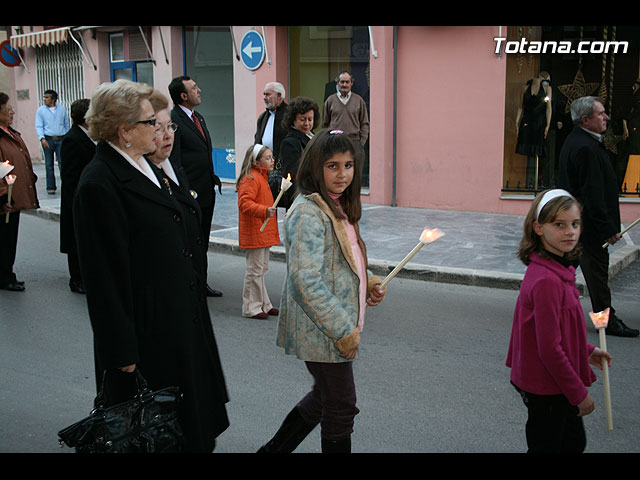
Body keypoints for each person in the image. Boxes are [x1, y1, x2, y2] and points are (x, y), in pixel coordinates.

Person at [73, 80, 229, 452]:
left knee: (192, 429)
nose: (160, 128)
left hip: (179, 325)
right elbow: (104, 281)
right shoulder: (100, 183)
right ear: (125, 131)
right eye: (150, 122)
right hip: (148, 339)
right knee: (159, 436)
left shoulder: (147, 166)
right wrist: (122, 357)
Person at [258, 129, 386, 454]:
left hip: (337, 326)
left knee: (322, 398)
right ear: (316, 166)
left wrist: (368, 281)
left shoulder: (336, 204)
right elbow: (305, 281)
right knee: (341, 406)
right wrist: (342, 330)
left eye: (348, 165)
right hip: (324, 331)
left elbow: (346, 259)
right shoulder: (307, 212)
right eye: (333, 166)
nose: (342, 174)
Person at [506, 189, 612, 453]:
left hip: (549, 383)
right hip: (547, 387)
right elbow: (550, 348)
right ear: (538, 228)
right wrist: (578, 393)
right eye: (559, 224)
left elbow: (559, 330)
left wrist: (585, 350)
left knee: (570, 443)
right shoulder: (546, 281)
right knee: (559, 445)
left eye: (575, 224)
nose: (570, 232)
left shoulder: (556, 269)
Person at [557, 96, 639, 337]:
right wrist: (606, 228)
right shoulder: (585, 147)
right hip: (589, 229)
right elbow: (592, 194)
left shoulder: (580, 141)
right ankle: (606, 323)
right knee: (597, 282)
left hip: (579, 225)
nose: (606, 118)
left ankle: (552, 312)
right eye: (601, 114)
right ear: (585, 119)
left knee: (564, 272)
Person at [168, 75, 223, 297]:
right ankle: (190, 283)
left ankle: (201, 281)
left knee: (202, 239)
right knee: (191, 241)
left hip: (206, 190)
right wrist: (186, 190)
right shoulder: (175, 121)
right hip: (191, 193)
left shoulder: (197, 118)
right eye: (194, 88)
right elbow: (175, 160)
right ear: (183, 96)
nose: (199, 90)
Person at [0, 93, 39, 292]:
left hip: (14, 196)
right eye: (8, 109)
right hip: (5, 199)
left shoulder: (10, 133)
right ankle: (4, 276)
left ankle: (7, 273)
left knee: (9, 238)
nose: (12, 112)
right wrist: (1, 198)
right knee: (4, 240)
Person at [236, 144, 280, 319]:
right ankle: (251, 307)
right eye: (268, 158)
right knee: (255, 270)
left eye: (272, 157)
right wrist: (264, 211)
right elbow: (244, 203)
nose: (272, 161)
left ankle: (263, 304)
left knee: (261, 269)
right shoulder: (251, 178)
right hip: (255, 231)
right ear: (256, 161)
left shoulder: (260, 177)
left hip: (262, 231)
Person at [60, 99, 95, 294]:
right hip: (76, 198)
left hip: (88, 197)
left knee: (85, 240)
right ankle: (76, 279)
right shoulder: (72, 139)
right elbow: (70, 175)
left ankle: (86, 276)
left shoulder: (90, 136)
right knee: (75, 241)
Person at [278, 96, 319, 209]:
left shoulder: (313, 136)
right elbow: (293, 173)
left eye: (310, 119)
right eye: (302, 119)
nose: (307, 123)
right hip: (301, 197)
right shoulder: (290, 142)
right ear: (293, 120)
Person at [515, 72, 552, 189]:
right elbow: (520, 106)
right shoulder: (525, 88)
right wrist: (516, 122)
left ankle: (539, 180)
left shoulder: (547, 89)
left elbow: (548, 108)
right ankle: (530, 181)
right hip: (527, 122)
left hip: (540, 123)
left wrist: (548, 125)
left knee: (539, 151)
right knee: (528, 151)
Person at [321, 71, 370, 147]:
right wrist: (328, 141)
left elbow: (364, 123)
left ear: (351, 83)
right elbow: (325, 124)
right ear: (338, 83)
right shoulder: (330, 100)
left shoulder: (359, 101)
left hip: (354, 143)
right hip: (335, 143)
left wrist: (362, 142)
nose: (344, 85)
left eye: (347, 82)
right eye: (342, 82)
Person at [35, 89, 69, 194]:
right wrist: (42, 138)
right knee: (49, 164)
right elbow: (39, 125)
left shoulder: (62, 109)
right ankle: (51, 187)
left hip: (60, 139)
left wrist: (67, 137)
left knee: (62, 163)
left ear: (53, 99)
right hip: (48, 139)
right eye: (44, 97)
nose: (44, 99)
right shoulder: (41, 110)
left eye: (47, 97)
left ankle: (66, 185)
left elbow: (66, 124)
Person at [254, 82, 288, 163]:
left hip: (283, 164)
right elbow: (257, 140)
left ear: (279, 95)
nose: (265, 98)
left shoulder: (289, 114)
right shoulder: (263, 117)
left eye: (268, 94)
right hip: (265, 165)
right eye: (264, 94)